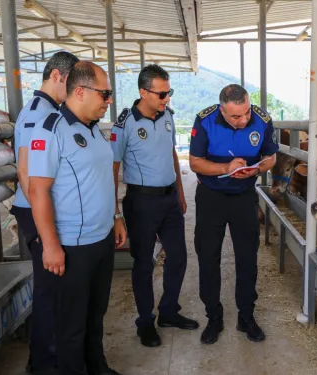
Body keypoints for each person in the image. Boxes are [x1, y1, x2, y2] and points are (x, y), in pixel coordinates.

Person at [28, 61, 126, 375]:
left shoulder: (95, 130)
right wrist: (50, 246)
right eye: (105, 94)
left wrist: (116, 216)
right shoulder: (50, 130)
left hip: (102, 240)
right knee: (70, 325)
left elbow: (104, 180)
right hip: (72, 246)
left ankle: (97, 366)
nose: (108, 100)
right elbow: (38, 191)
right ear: (80, 91)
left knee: (95, 314)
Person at [110, 64, 198, 348]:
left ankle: (169, 311)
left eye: (168, 92)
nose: (166, 99)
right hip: (142, 202)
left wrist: (181, 194)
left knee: (179, 257)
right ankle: (145, 321)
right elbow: (112, 169)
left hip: (170, 198)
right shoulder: (125, 124)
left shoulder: (168, 116)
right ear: (143, 92)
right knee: (144, 262)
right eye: (161, 94)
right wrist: (116, 214)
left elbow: (172, 153)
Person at [189, 84, 278, 344]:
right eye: (235, 117)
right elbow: (195, 162)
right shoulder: (205, 120)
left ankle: (246, 317)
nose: (243, 120)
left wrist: (256, 170)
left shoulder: (262, 120)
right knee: (208, 257)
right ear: (222, 111)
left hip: (244, 196)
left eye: (246, 113)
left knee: (247, 258)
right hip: (211, 197)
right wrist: (226, 167)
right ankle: (213, 318)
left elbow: (271, 157)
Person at [9, 51, 79, 375]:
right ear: (58, 77)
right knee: (49, 291)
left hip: (41, 210)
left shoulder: (48, 110)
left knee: (54, 290)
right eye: (73, 83)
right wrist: (44, 233)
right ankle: (43, 365)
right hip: (36, 212)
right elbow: (27, 176)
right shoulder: (39, 114)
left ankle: (47, 359)